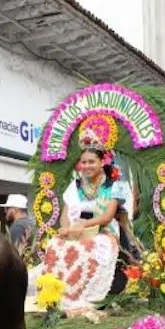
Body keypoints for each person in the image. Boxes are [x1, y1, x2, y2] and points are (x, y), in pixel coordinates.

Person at [37, 120, 130, 310]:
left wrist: (83, 226)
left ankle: (91, 297)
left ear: (102, 162)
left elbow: (107, 216)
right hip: (77, 231)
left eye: (91, 162)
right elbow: (65, 213)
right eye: (83, 162)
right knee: (55, 244)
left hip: (105, 233)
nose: (86, 166)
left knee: (95, 245)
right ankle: (61, 295)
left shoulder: (116, 185)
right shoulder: (75, 185)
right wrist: (66, 228)